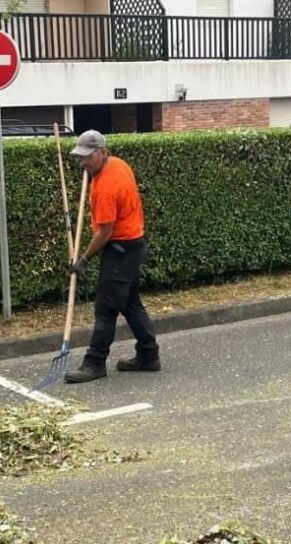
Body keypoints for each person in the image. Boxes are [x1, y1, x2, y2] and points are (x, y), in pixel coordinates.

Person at [65, 129, 162, 383]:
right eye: (80, 158)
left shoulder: (105, 187)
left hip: (120, 249)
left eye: (88, 157)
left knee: (106, 309)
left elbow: (104, 233)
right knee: (130, 303)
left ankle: (94, 362)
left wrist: (83, 259)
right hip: (134, 245)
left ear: (103, 153)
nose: (83, 163)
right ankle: (149, 356)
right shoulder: (118, 164)